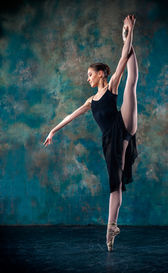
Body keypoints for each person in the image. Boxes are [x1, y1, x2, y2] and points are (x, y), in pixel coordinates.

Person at [43, 14, 138, 252]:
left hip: (122, 124)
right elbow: (69, 116)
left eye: (90, 74)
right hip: (110, 142)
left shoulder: (111, 85)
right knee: (115, 186)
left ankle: (129, 35)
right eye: (88, 75)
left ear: (101, 75)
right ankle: (111, 227)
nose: (88, 77)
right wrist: (52, 130)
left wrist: (128, 34)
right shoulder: (90, 101)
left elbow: (122, 58)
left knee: (131, 83)